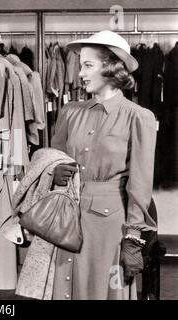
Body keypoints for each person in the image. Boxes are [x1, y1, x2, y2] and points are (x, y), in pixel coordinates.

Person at [50, 30, 157, 300]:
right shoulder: (70, 112)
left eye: (88, 65)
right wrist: (53, 171)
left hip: (111, 229)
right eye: (80, 65)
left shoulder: (138, 117)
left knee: (109, 291)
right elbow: (52, 160)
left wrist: (133, 238)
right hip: (68, 219)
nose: (80, 73)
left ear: (110, 68)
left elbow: (140, 185)